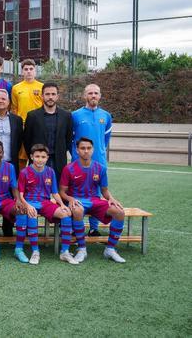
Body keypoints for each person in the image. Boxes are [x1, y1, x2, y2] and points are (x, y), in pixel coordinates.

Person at [59, 137, 127, 263]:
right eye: (82, 148)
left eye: (89, 148)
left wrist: (111, 198)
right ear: (77, 150)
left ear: (93, 150)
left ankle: (110, 249)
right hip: (77, 200)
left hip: (94, 200)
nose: (86, 151)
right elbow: (62, 192)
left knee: (119, 212)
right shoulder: (69, 168)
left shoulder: (100, 168)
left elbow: (104, 191)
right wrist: (70, 198)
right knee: (78, 211)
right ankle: (82, 249)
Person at [16, 144, 77, 265]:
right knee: (32, 215)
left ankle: (65, 252)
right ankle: (35, 251)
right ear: (31, 157)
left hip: (45, 203)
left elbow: (54, 193)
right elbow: (20, 195)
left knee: (66, 214)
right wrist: (27, 206)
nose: (40, 159)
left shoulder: (50, 171)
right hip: (30, 202)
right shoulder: (24, 172)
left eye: (43, 157)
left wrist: (62, 204)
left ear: (47, 158)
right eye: (37, 156)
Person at [71, 84, 113, 236]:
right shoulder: (75, 115)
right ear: (85, 96)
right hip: (79, 162)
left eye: (96, 93)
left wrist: (100, 151)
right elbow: (71, 138)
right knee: (77, 193)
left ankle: (94, 228)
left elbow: (106, 138)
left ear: (100, 96)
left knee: (96, 193)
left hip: (99, 161)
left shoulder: (106, 116)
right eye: (90, 93)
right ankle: (78, 227)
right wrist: (75, 155)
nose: (93, 96)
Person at [23, 82, 73, 181]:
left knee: (58, 191)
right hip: (38, 160)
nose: (50, 97)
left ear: (57, 96)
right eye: (47, 94)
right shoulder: (32, 116)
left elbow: (68, 138)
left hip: (58, 160)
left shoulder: (66, 116)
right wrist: (35, 156)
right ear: (42, 96)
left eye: (53, 94)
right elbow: (26, 140)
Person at [11, 59, 43, 169]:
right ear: (22, 71)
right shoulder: (16, 88)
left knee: (37, 155)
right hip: (22, 126)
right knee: (21, 157)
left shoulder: (42, 87)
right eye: (26, 69)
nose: (28, 71)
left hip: (38, 126)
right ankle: (21, 182)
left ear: (35, 71)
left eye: (31, 69)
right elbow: (14, 108)